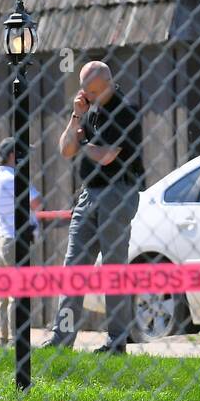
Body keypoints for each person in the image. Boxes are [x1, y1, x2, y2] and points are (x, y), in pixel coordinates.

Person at [42, 60, 142, 354]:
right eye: (85, 91)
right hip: (88, 193)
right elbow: (65, 149)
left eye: (92, 91)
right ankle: (62, 339)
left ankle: (116, 342)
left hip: (118, 192)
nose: (88, 96)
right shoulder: (88, 111)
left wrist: (84, 143)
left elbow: (108, 156)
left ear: (106, 84)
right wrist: (76, 117)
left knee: (113, 268)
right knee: (74, 267)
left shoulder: (126, 111)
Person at [0, 137, 42, 346]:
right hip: (16, 242)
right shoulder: (14, 178)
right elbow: (37, 203)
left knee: (4, 295)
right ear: (13, 155)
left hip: (4, 240)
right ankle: (15, 339)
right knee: (16, 294)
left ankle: (4, 337)